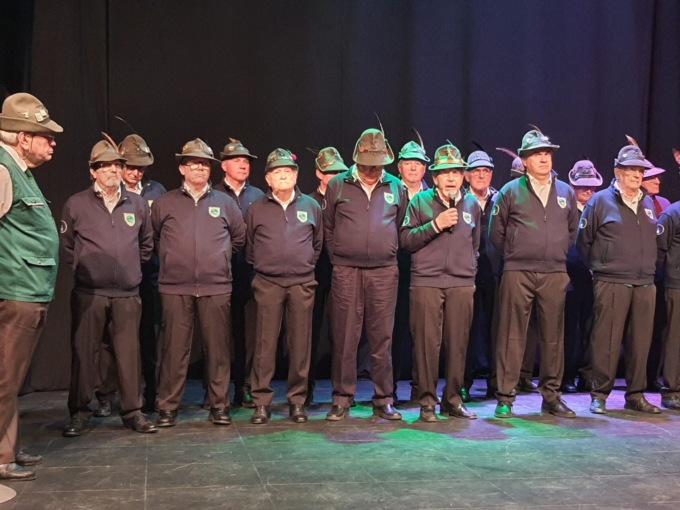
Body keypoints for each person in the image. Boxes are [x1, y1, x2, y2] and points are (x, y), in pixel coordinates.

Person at [61, 136, 157, 437]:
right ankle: (79, 412)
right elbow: (67, 246)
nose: (113, 170)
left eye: (117, 165)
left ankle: (133, 412)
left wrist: (129, 270)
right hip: (90, 293)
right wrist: (85, 270)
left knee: (129, 356)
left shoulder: (136, 203)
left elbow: (146, 244)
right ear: (93, 171)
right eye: (105, 166)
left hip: (127, 294)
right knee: (85, 354)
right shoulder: (77, 203)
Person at [152, 139, 246, 427]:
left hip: (216, 287)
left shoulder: (225, 203)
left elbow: (239, 238)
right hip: (175, 287)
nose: (199, 168)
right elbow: (154, 238)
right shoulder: (165, 202)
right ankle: (168, 406)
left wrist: (217, 259)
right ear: (182, 168)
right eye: (193, 163)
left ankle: (220, 405)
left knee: (218, 350)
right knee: (174, 351)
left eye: (204, 164)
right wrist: (174, 259)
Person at [488, 128, 579, 418]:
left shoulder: (565, 191)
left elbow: (572, 231)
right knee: (511, 335)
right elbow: (496, 233)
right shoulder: (510, 191)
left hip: (554, 272)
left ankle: (551, 396)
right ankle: (505, 396)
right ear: (524, 161)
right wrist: (517, 253)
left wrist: (555, 253)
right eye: (536, 154)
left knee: (553, 336)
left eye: (546, 153)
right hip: (518, 272)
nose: (543, 158)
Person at [324, 126, 408, 421]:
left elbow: (400, 225)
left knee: (382, 338)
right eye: (367, 164)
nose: (372, 169)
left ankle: (384, 398)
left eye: (377, 164)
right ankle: (341, 398)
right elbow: (328, 227)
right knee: (345, 337)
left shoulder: (396, 187)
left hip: (384, 272)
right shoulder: (338, 185)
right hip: (347, 271)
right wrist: (339, 258)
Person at [0, 92, 62, 481]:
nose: (52, 143)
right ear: (23, 137)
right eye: (46, 136)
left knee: (11, 377)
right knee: (5, 378)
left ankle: (6, 451)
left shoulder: (19, 169)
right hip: (15, 291)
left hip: (29, 289)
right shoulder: (3, 170)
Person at [576, 142, 661, 414]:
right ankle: (599, 394)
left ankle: (635, 394)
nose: (637, 175)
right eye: (631, 170)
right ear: (618, 172)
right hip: (611, 281)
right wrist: (601, 267)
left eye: (640, 171)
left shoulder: (647, 202)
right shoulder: (600, 201)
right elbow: (583, 242)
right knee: (607, 341)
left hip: (645, 282)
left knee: (640, 342)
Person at [400, 143, 481, 422]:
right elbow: (406, 240)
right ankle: (426, 402)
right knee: (426, 345)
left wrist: (469, 273)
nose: (451, 178)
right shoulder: (419, 202)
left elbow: (475, 244)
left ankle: (453, 400)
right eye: (445, 173)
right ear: (434, 177)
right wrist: (435, 225)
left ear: (462, 176)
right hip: (427, 282)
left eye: (456, 172)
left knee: (458, 345)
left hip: (461, 283)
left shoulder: (471, 204)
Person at [247, 148, 322, 424]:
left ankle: (297, 401)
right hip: (268, 283)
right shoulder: (256, 208)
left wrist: (302, 264)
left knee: (300, 344)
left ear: (296, 176)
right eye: (277, 172)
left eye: (287, 171)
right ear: (268, 178)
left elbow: (317, 244)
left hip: (302, 283)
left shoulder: (311, 206)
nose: (282, 176)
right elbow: (250, 247)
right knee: (265, 344)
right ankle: (261, 402)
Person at [95, 133, 166, 415]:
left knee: (150, 336)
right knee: (111, 338)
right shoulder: (109, 188)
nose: (136, 173)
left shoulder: (157, 191)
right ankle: (106, 395)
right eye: (131, 167)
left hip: (149, 274)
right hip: (116, 277)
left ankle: (152, 394)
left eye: (141, 168)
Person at [214, 138, 263, 407]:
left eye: (246, 162)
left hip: (251, 272)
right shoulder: (213, 194)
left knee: (252, 334)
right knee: (221, 334)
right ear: (224, 165)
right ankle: (218, 388)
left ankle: (246, 385)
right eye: (237, 161)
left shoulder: (258, 196)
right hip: (219, 274)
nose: (243, 165)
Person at [307, 147, 348, 404]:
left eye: (339, 172)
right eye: (330, 172)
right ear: (319, 173)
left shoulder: (346, 199)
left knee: (342, 334)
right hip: (313, 274)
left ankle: (342, 391)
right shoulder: (308, 201)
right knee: (309, 333)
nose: (334, 177)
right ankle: (305, 390)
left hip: (341, 273)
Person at [393, 136, 430, 402]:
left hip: (426, 270)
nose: (413, 167)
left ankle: (422, 388)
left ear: (425, 168)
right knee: (394, 331)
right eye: (408, 162)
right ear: (399, 166)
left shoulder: (433, 195)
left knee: (424, 333)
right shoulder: (390, 192)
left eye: (418, 163)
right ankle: (389, 388)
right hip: (396, 268)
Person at [563, 160, 603, 393]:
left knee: (592, 328)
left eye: (591, 186)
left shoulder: (600, 209)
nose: (587, 190)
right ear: (573, 186)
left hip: (594, 277)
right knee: (568, 330)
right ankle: (566, 375)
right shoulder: (565, 209)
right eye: (582, 186)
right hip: (569, 277)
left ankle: (587, 375)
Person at [463, 149, 497, 401]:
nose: (481, 175)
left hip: (495, 273)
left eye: (486, 171)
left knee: (497, 330)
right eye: (476, 171)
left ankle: (496, 384)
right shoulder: (460, 200)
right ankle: (462, 382)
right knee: (466, 330)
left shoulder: (501, 199)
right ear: (467, 175)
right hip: (467, 274)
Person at [641, 164, 671, 392]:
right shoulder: (634, 202)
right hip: (639, 271)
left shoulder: (664, 204)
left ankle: (652, 375)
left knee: (659, 327)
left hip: (661, 274)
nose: (657, 182)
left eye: (658, 178)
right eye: (651, 178)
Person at [657, 187, 680, 410]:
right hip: (677, 283)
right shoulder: (673, 213)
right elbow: (660, 250)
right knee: (675, 337)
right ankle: (672, 390)